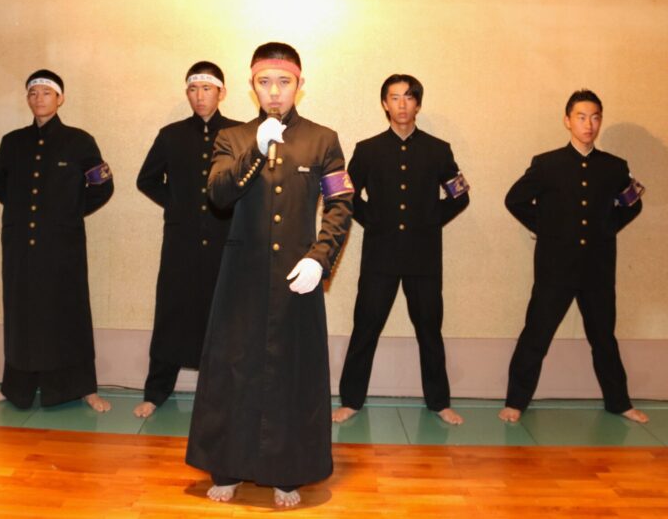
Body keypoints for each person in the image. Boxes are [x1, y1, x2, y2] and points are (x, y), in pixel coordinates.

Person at [185, 42, 353, 508]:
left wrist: (320, 257)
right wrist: (255, 151)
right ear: (251, 85)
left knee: (290, 373)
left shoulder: (323, 139)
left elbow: (341, 204)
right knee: (233, 370)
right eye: (264, 82)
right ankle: (227, 467)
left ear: (300, 84)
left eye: (284, 82)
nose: (274, 92)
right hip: (241, 279)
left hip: (297, 278)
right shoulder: (233, 138)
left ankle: (287, 470)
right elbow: (218, 194)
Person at [499, 89, 648, 424]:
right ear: (567, 121)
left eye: (595, 117)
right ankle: (515, 401)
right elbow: (514, 200)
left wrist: (607, 227)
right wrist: (547, 228)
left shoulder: (614, 167)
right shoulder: (546, 164)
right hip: (555, 268)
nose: (588, 124)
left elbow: (632, 204)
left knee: (603, 338)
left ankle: (619, 402)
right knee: (536, 335)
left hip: (598, 268)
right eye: (581, 117)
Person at [333, 74, 470, 426]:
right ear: (385, 104)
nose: (402, 104)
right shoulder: (367, 149)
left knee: (430, 330)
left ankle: (439, 402)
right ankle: (351, 400)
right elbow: (345, 195)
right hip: (380, 256)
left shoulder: (438, 149)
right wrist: (373, 220)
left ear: (418, 104)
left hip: (424, 258)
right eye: (394, 97)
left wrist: (431, 219)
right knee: (365, 327)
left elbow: (460, 195)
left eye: (409, 97)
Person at [0, 69, 113, 411]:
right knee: (21, 313)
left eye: (46, 93)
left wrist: (68, 214)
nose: (39, 99)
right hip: (20, 246)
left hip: (63, 245)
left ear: (60, 98)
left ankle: (83, 388)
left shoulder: (80, 141)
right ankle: (14, 388)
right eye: (33, 93)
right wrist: (23, 213)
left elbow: (102, 186)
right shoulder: (12, 142)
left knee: (69, 313)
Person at [133, 62, 241, 419]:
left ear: (221, 92)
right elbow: (146, 179)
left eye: (207, 88)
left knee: (225, 316)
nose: (199, 96)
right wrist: (178, 204)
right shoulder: (171, 134)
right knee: (171, 312)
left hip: (226, 241)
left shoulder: (240, 133)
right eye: (193, 89)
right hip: (181, 242)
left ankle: (225, 393)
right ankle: (156, 391)